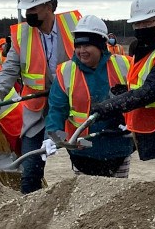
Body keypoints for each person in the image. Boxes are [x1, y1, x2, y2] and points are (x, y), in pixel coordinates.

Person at [0, 0, 81, 194]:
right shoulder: (21, 35)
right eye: (26, 9)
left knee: (81, 158)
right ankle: (30, 205)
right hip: (35, 108)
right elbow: (9, 70)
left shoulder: (75, 26)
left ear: (48, 7)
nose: (28, 13)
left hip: (71, 105)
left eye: (33, 8)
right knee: (31, 167)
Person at [88, 0, 155, 186]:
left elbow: (152, 89)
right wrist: (123, 91)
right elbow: (142, 83)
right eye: (137, 24)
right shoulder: (151, 47)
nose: (141, 28)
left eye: (146, 23)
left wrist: (111, 105)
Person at [43, 15, 134, 177]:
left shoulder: (125, 66)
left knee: (118, 200)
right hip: (82, 151)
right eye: (78, 45)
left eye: (87, 45)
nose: (81, 51)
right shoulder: (66, 72)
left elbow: (141, 98)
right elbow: (56, 110)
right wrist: (56, 136)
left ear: (100, 46)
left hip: (118, 147)